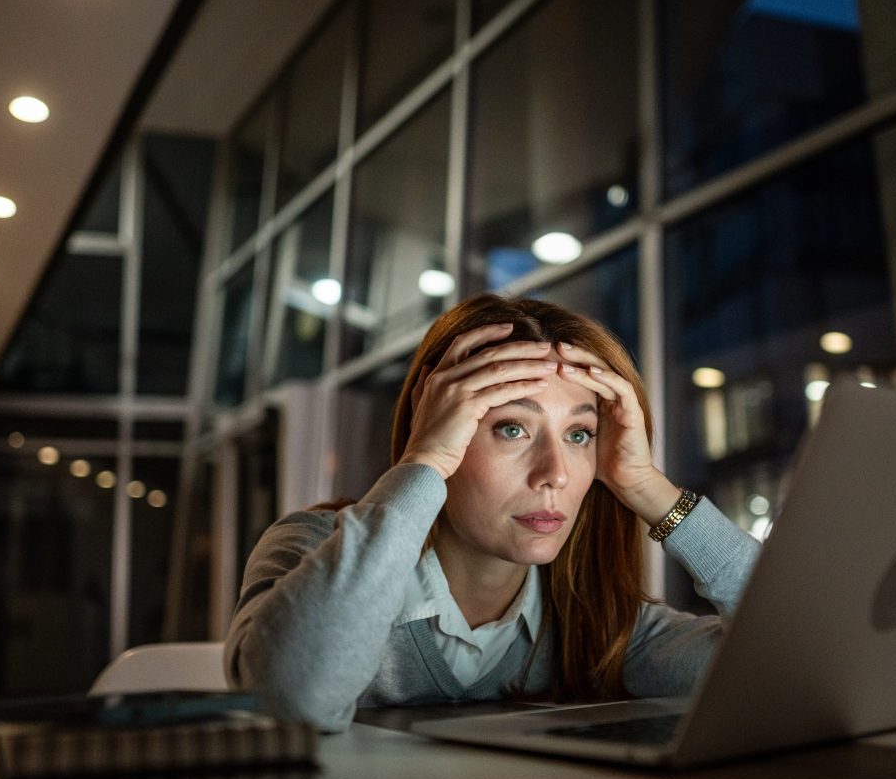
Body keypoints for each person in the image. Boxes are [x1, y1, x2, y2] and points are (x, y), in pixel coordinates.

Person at [224, 292, 761, 730]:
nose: (555, 472)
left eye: (579, 434)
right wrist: (426, 459)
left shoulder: (594, 621)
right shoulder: (310, 546)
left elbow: (787, 670)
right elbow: (290, 700)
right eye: (512, 428)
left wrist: (646, 486)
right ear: (436, 423)